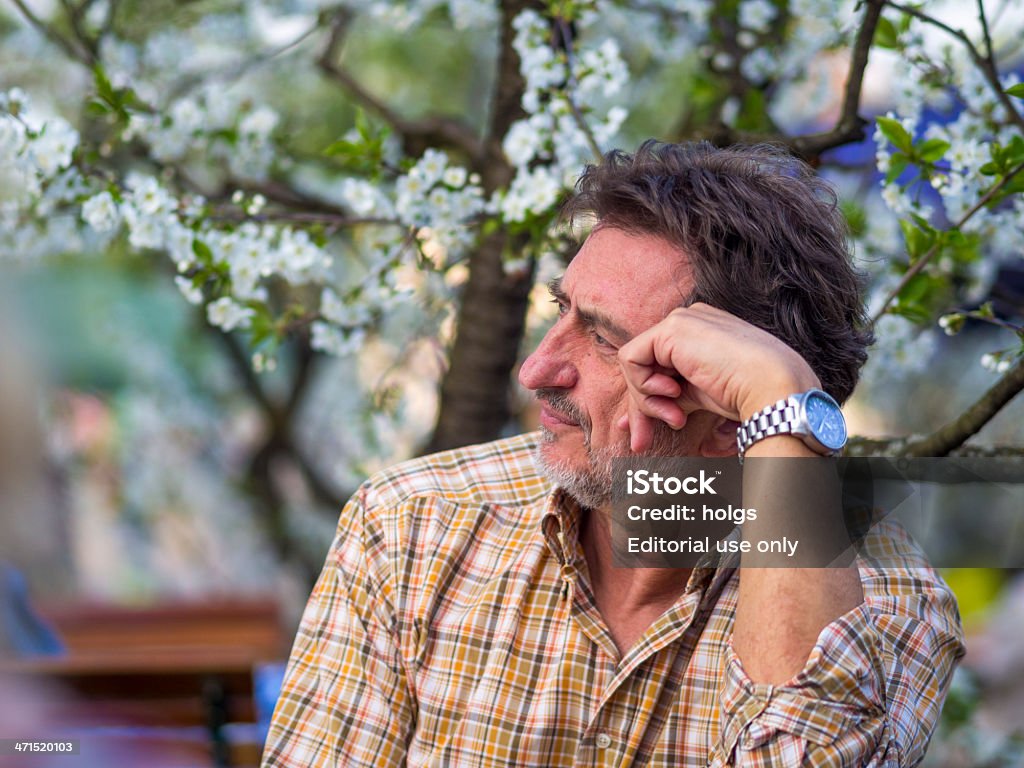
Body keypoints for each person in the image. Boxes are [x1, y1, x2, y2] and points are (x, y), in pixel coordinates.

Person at [262, 141, 964, 766]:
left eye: (601, 338)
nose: (536, 369)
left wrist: (781, 400)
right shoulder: (411, 529)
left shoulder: (882, 601)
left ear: (727, 415)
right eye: (559, 309)